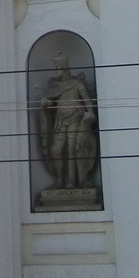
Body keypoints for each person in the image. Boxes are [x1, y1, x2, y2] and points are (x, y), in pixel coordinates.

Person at [39, 51, 98, 189]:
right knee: (56, 150)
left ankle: (72, 181)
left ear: (65, 67)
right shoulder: (55, 85)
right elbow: (52, 101)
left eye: (58, 67)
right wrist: (46, 102)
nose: (57, 70)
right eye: (56, 67)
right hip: (59, 121)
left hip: (75, 119)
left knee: (72, 150)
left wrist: (90, 113)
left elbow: (87, 101)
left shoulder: (77, 84)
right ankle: (60, 180)